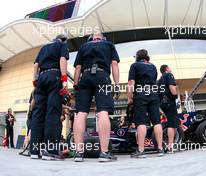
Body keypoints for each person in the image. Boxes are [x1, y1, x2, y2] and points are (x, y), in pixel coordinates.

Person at [73, 32, 120, 162]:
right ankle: (104, 153)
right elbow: (114, 64)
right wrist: (116, 84)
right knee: (103, 112)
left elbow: (78, 68)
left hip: (85, 77)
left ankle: (78, 153)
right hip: (102, 75)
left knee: (81, 113)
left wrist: (76, 85)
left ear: (92, 39)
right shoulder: (109, 44)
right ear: (102, 38)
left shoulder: (84, 46)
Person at [30, 34, 69, 160]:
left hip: (41, 78)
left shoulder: (44, 48)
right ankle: (50, 150)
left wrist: (35, 81)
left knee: (38, 113)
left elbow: (36, 65)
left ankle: (34, 151)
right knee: (52, 112)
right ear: (63, 40)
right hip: (54, 76)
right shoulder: (62, 45)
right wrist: (64, 80)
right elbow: (62, 60)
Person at [127, 49, 164, 158]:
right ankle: (160, 149)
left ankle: (141, 150)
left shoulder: (134, 66)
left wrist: (130, 97)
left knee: (141, 122)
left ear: (137, 57)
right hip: (153, 93)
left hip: (140, 94)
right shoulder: (153, 66)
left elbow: (131, 82)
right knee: (156, 122)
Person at [157, 65, 179, 153]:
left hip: (162, 103)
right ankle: (170, 146)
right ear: (166, 69)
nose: (170, 68)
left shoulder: (159, 80)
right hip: (169, 102)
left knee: (172, 122)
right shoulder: (169, 75)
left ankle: (170, 144)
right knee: (172, 123)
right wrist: (176, 97)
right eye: (169, 67)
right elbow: (172, 87)